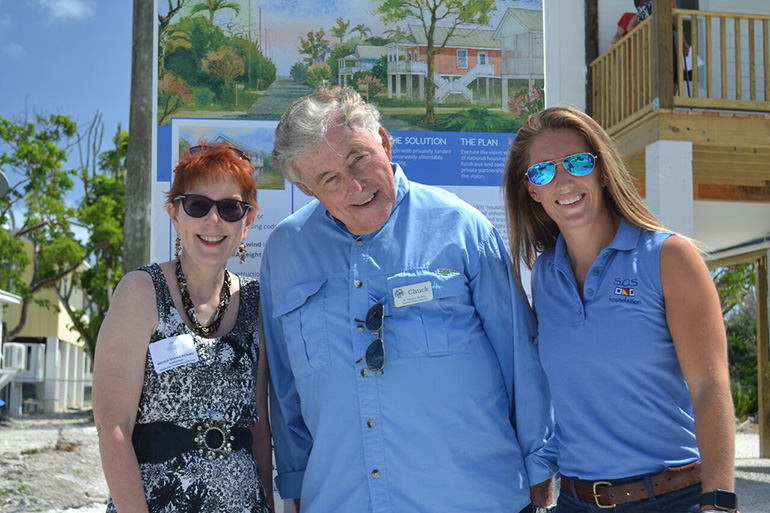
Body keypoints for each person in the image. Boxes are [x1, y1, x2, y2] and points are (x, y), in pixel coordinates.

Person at [261, 86, 557, 513]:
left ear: (383, 140)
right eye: (330, 180)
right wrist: (295, 491)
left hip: (474, 501)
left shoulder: (462, 227)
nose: (356, 186)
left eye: (358, 158)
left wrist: (541, 479)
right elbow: (285, 389)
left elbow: (521, 360)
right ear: (309, 189)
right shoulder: (286, 249)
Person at [502, 106, 737, 512]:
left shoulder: (669, 258)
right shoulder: (545, 276)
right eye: (543, 171)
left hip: (669, 499)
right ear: (532, 190)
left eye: (577, 162)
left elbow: (710, 390)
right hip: (574, 501)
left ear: (602, 170)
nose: (564, 180)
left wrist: (719, 503)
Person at [93, 144, 274, 512]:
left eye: (230, 208)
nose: (213, 220)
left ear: (248, 222)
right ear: (175, 214)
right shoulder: (141, 291)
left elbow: (258, 426)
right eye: (197, 205)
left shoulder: (257, 302)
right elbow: (113, 428)